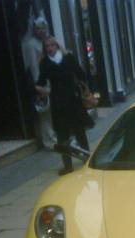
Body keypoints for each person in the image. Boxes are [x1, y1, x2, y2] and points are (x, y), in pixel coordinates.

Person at [35, 36, 90, 175]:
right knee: (62, 135)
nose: (50, 48)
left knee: (79, 131)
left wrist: (82, 87)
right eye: (47, 46)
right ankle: (67, 165)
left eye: (52, 45)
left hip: (73, 99)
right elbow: (41, 80)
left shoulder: (68, 58)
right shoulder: (45, 63)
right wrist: (36, 88)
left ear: (58, 45)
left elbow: (81, 74)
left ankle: (87, 158)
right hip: (58, 102)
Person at [22, 16, 56, 149]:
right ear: (34, 30)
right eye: (38, 28)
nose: (41, 31)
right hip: (42, 83)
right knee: (45, 113)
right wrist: (39, 86)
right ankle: (49, 142)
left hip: (52, 81)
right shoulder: (32, 45)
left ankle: (54, 137)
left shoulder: (49, 41)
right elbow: (34, 67)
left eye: (43, 28)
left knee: (52, 112)